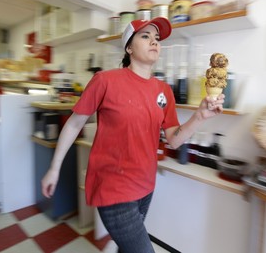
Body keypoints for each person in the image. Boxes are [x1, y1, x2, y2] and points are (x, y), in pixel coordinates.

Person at [41, 17, 225, 253]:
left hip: (145, 186)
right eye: (145, 36)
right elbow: (75, 124)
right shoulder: (105, 80)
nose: (154, 42)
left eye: (157, 38)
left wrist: (199, 116)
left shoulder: (163, 90)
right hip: (113, 186)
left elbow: (173, 138)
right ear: (129, 47)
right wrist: (54, 168)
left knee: (126, 248)